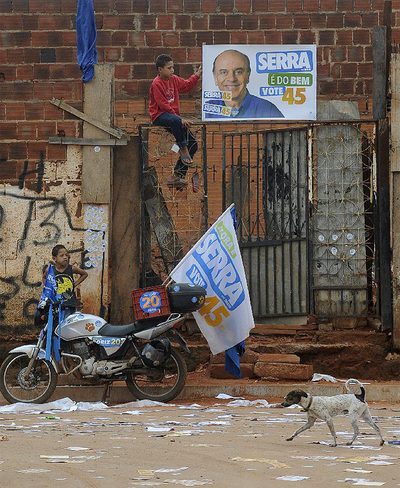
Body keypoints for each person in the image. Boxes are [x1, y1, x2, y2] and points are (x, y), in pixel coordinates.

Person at [149, 54, 202, 190]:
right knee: (176, 122)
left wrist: (197, 75)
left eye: (173, 67)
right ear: (160, 69)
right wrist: (180, 119)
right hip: (160, 115)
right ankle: (182, 148)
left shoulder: (174, 80)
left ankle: (177, 175)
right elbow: (163, 105)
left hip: (174, 119)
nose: (172, 70)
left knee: (194, 145)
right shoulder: (156, 83)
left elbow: (186, 85)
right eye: (169, 68)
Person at [204, 49, 283, 119]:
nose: (232, 79)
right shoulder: (207, 111)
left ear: (248, 76)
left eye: (239, 72)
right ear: (215, 78)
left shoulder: (268, 110)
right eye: (224, 72)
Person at [42, 244, 88, 319]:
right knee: (55, 323)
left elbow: (85, 274)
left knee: (67, 323)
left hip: (69, 303)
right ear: (54, 258)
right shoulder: (50, 270)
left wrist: (75, 284)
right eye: (62, 255)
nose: (65, 257)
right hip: (55, 303)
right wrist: (48, 287)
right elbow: (44, 277)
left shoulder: (72, 268)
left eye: (66, 255)